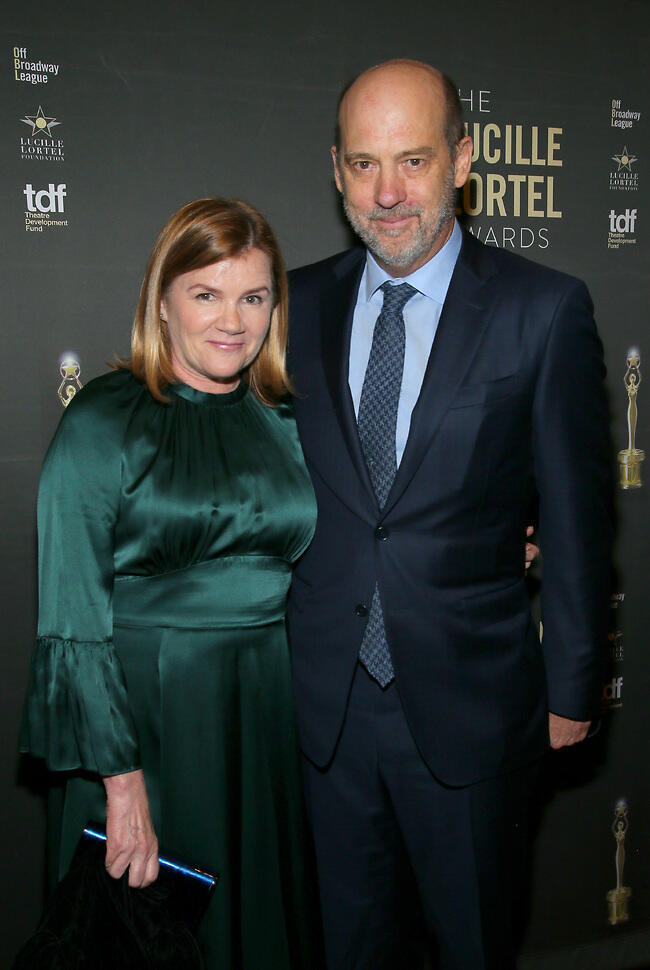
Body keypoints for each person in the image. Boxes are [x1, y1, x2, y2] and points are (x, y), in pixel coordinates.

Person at [286, 59, 612, 970]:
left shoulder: (543, 309)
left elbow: (580, 523)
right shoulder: (292, 306)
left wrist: (573, 688)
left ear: (463, 161)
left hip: (473, 710)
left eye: (414, 160)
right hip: (323, 715)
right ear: (337, 170)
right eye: (363, 164)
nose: (387, 193)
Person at [20, 198, 323, 970]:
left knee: (259, 927)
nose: (232, 320)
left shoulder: (287, 421)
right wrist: (122, 787)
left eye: (254, 297)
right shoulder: (103, 421)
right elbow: (72, 621)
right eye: (206, 294)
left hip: (264, 716)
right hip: (144, 733)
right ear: (162, 301)